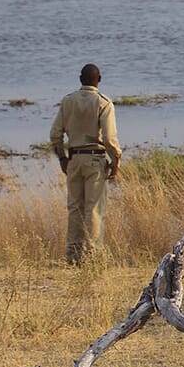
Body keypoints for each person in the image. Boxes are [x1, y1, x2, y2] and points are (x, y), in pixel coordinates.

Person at [49, 63, 121, 264]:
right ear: (99, 79)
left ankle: (72, 255)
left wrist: (62, 157)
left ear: (80, 79)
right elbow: (109, 138)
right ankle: (92, 256)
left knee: (74, 208)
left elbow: (55, 134)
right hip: (95, 159)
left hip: (73, 159)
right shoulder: (103, 103)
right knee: (95, 209)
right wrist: (115, 160)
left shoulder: (68, 101)